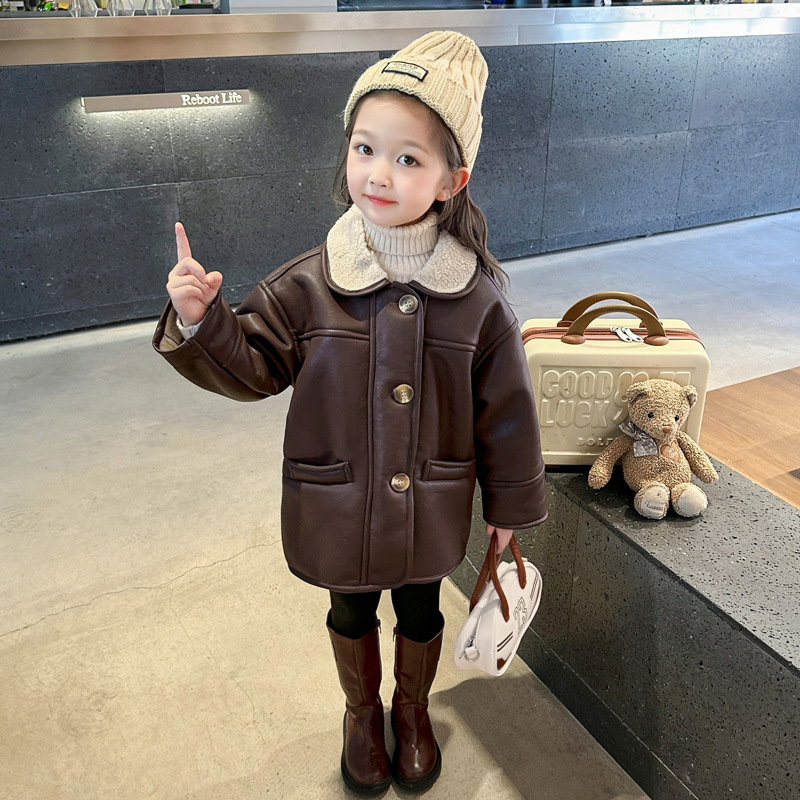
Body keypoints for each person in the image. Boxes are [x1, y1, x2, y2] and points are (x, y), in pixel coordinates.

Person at [152, 30, 547, 795]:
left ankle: (411, 711)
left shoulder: (477, 300)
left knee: (422, 608)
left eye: (408, 159)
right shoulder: (308, 284)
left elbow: (507, 415)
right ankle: (361, 714)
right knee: (351, 608)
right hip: (340, 498)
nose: (378, 173)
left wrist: (509, 511)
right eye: (365, 149)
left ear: (452, 180)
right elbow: (256, 367)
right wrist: (204, 322)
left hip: (430, 500)